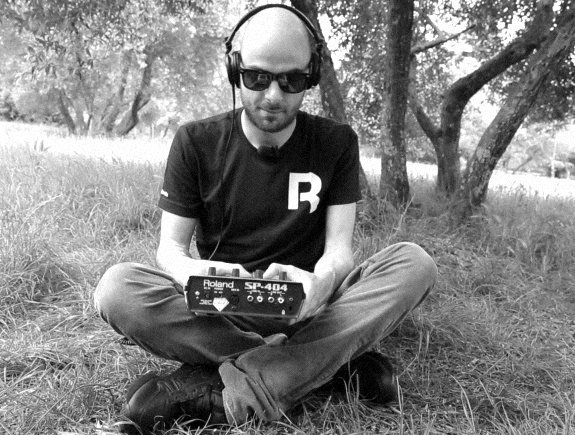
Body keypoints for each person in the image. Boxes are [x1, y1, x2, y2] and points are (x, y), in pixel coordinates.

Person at [94, 4, 437, 434]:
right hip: (222, 312)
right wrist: (196, 272)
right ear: (234, 70)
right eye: (257, 78)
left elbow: (339, 252)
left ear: (311, 76)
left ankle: (224, 386)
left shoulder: (337, 143)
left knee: (414, 263)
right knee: (117, 288)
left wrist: (322, 282)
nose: (274, 95)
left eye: (291, 80)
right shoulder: (195, 142)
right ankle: (325, 364)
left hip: (310, 309)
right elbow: (171, 250)